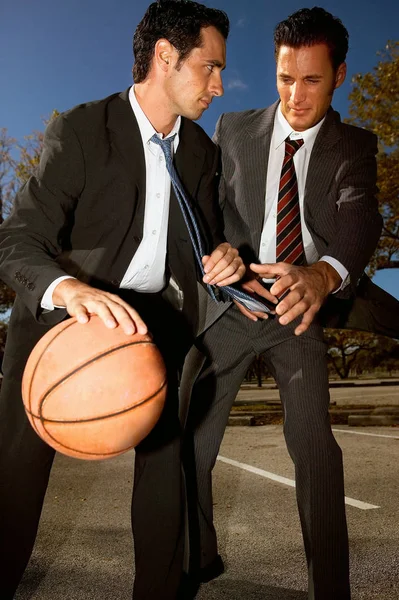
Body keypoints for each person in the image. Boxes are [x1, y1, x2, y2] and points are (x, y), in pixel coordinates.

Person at [0, 2, 247, 598]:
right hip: (64, 324)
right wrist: (69, 289)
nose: (218, 85)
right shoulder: (83, 129)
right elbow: (18, 238)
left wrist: (226, 255)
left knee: (167, 471)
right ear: (166, 56)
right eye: (210, 68)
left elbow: (206, 236)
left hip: (149, 326)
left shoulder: (200, 154)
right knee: (14, 482)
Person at [181, 7, 399, 600]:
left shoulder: (353, 145)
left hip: (296, 312)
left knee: (314, 450)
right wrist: (220, 256)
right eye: (284, 78)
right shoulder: (234, 130)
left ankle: (331, 587)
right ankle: (199, 556)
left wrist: (322, 278)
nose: (296, 96)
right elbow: (208, 210)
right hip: (230, 309)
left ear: (341, 75)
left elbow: (359, 221)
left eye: (312, 80)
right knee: (190, 436)